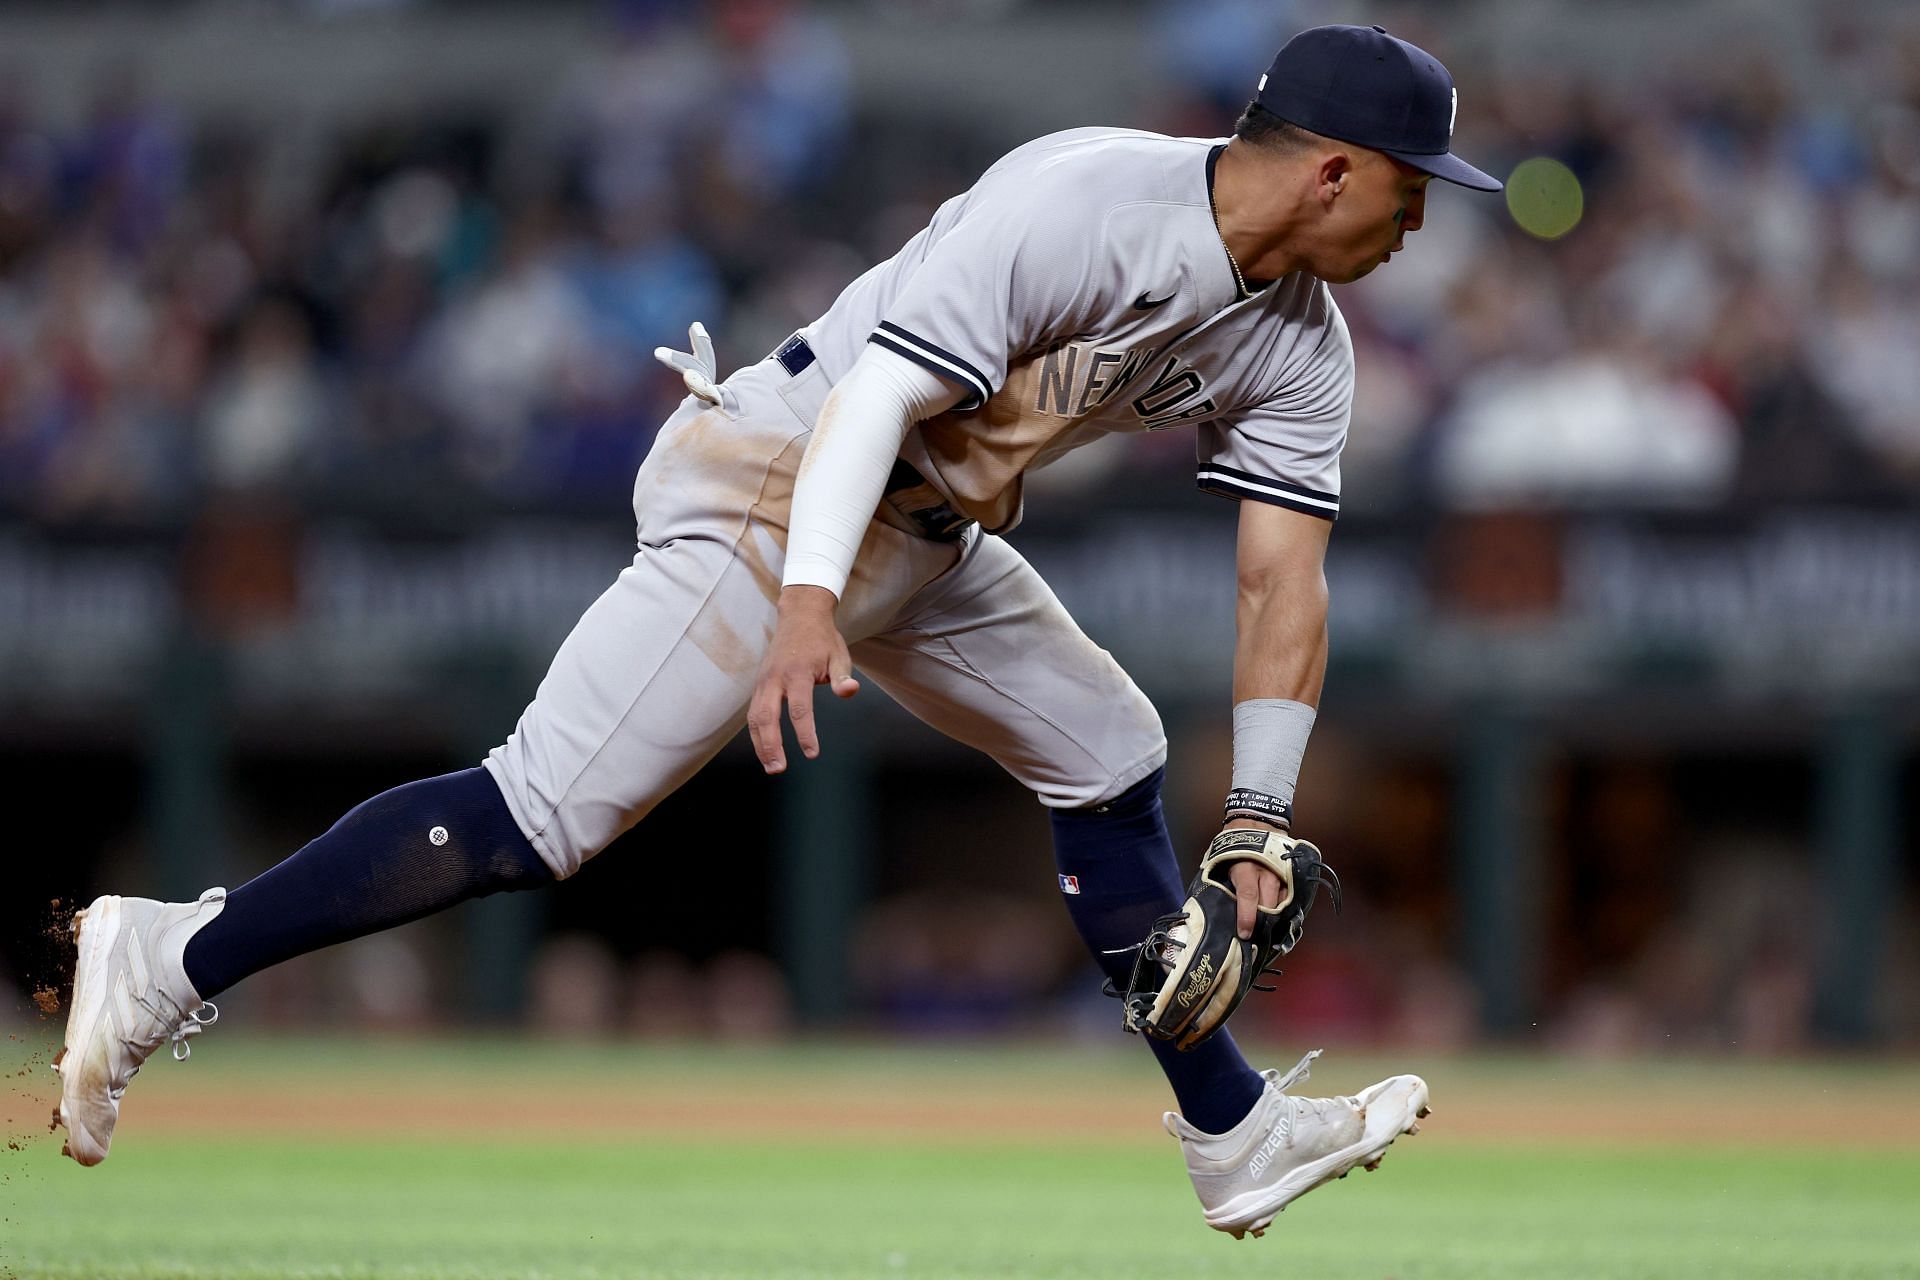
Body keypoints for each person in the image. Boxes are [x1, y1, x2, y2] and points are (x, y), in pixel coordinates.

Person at [54, 24, 1500, 1238]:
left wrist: (1256, 808)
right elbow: (875, 399)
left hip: (924, 533)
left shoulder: (1303, 342)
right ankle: (169, 960)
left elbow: (1280, 584)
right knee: (539, 814)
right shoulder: (1088, 199)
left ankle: (1231, 1135)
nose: (1420, 220)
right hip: (783, 477)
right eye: (1413, 188)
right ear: (1333, 166)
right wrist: (806, 605)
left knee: (1111, 748)